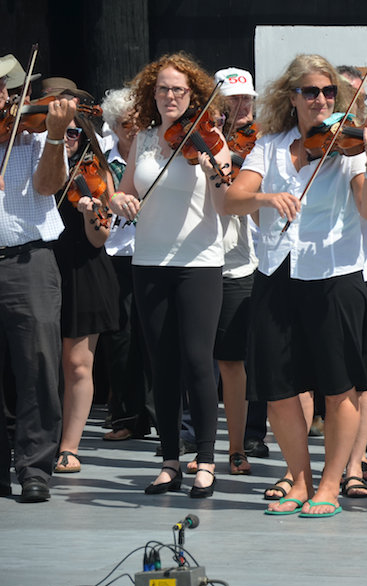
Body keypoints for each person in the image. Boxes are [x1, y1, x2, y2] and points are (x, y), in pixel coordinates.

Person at [224, 54, 367, 516]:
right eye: (311, 92)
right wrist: (265, 196)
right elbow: (233, 200)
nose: (321, 100)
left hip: (334, 276)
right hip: (277, 272)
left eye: (329, 92)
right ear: (291, 97)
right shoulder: (270, 145)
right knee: (277, 388)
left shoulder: (351, 150)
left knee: (338, 388)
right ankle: (299, 479)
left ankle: (330, 485)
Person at [108, 52, 231, 498]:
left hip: (198, 262)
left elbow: (223, 208)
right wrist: (119, 201)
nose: (170, 95)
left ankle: (207, 460)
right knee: (162, 364)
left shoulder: (211, 140)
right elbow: (124, 193)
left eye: (178, 89)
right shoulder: (141, 138)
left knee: (198, 360)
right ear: (151, 93)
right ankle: (168, 461)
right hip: (149, 262)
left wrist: (218, 176)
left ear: (192, 93)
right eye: (162, 88)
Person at [0, 55, 76, 502]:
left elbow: (48, 187)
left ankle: (34, 468)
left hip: (28, 261)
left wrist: (51, 137)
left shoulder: (31, 137)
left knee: (39, 366)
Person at [53, 113, 120, 474]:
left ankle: (69, 446)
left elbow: (101, 237)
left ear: (84, 135)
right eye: (60, 131)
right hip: (44, 264)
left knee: (77, 363)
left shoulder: (97, 173)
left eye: (74, 131)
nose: (67, 137)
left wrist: (88, 215)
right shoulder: (41, 167)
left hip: (84, 270)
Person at [97, 88, 155, 443]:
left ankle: (157, 415)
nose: (134, 129)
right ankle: (126, 416)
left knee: (154, 339)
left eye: (139, 122)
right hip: (116, 256)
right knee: (120, 340)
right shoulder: (101, 161)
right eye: (126, 124)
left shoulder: (155, 156)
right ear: (114, 127)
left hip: (151, 254)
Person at [212, 66, 261, 475]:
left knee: (232, 361)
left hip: (237, 262)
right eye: (233, 99)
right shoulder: (195, 139)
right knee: (194, 360)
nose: (241, 107)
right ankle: (199, 446)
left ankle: (237, 445)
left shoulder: (258, 145)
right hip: (194, 258)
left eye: (246, 99)